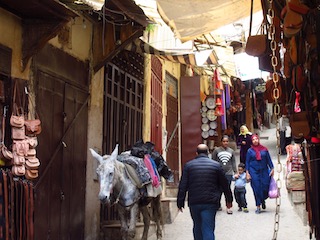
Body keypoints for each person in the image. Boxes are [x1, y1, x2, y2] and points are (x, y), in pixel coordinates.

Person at [177, 144, 233, 240]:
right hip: (210, 202)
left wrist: (180, 202)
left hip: (194, 202)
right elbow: (225, 185)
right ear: (208, 153)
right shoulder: (216, 166)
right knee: (208, 227)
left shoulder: (189, 166)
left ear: (196, 153)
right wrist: (229, 200)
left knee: (197, 226)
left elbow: (183, 185)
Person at [246, 134, 274, 214]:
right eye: (253, 140)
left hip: (264, 170)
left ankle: (262, 199)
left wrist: (272, 168)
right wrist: (247, 173)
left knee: (265, 186)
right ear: (251, 141)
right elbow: (247, 162)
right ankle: (258, 206)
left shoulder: (264, 149)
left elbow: (268, 159)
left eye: (256, 139)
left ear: (258, 140)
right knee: (256, 188)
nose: (255, 141)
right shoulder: (250, 151)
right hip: (253, 171)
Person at [212, 135, 237, 214]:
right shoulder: (216, 150)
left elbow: (233, 162)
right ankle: (217, 205)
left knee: (227, 190)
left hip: (228, 173)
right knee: (218, 190)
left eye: (227, 141)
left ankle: (229, 206)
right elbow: (213, 161)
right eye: (224, 141)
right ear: (221, 142)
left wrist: (235, 172)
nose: (225, 143)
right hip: (218, 173)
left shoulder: (231, 151)